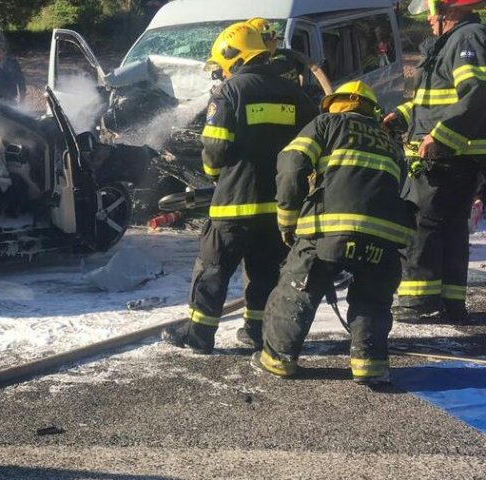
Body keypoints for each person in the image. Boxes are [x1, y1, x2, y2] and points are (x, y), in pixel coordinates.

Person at [161, 22, 318, 354]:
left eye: (223, 65)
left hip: (234, 202)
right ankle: (256, 331)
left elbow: (215, 152)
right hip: (277, 206)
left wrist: (211, 172)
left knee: (213, 269)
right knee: (264, 273)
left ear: (235, 57)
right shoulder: (295, 93)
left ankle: (198, 335)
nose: (221, 73)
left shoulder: (230, 92)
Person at [251, 82, 415, 385]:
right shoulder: (391, 142)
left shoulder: (326, 124)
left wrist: (287, 220)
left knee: (297, 289)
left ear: (338, 103)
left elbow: (291, 164)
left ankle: (277, 359)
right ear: (371, 109)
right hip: (385, 233)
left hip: (327, 228)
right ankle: (370, 365)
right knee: (373, 298)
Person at [383, 0, 486, 324]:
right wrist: (400, 117)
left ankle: (417, 301)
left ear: (449, 11)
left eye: (430, 12)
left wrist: (441, 137)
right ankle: (450, 301)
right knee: (452, 226)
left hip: (446, 153)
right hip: (455, 153)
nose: (427, 20)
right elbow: (432, 101)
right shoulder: (455, 41)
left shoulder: (466, 39)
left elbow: (478, 92)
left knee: (422, 223)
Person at [246, 17, 333, 96]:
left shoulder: (286, 54)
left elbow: (314, 67)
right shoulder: (251, 65)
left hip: (296, 102)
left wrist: (329, 95)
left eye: (274, 35)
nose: (274, 39)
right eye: (270, 36)